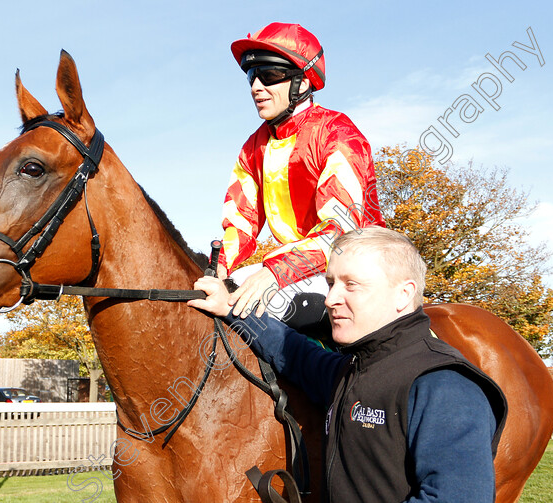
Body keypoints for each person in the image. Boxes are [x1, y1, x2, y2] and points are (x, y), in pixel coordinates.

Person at [190, 226, 507, 502]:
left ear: (404, 294)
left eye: (350, 285)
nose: (329, 299)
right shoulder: (351, 371)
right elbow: (296, 354)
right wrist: (229, 306)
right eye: (330, 284)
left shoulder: (444, 385)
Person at [218, 22, 386, 329]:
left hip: (354, 269)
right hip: (293, 268)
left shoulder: (338, 134)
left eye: (268, 75)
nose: (256, 87)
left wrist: (274, 271)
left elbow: (340, 231)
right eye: (251, 76)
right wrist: (216, 269)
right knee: (221, 297)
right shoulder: (253, 146)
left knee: (261, 307)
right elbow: (240, 221)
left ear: (304, 81)